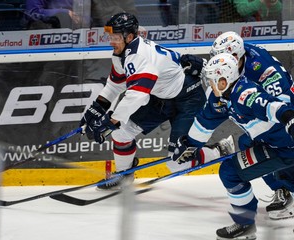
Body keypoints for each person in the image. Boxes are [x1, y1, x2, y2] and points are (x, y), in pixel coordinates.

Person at [79, 12, 212, 190]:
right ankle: (124, 175)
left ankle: (217, 151)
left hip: (188, 98)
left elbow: (137, 96)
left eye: (115, 37)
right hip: (161, 98)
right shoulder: (121, 54)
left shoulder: (140, 56)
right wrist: (95, 110)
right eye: (110, 37)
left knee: (177, 163)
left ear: (130, 37)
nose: (111, 41)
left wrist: (110, 121)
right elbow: (114, 86)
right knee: (121, 134)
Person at [172, 52, 294, 239]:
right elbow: (205, 123)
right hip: (272, 145)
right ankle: (245, 224)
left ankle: (245, 224)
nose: (209, 85)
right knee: (238, 169)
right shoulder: (219, 98)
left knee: (231, 172)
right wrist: (190, 144)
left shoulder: (245, 94)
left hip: (284, 148)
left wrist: (290, 119)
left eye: (212, 81)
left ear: (223, 81)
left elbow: (274, 107)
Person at [210, 31, 294, 220]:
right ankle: (282, 189)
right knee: (248, 143)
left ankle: (286, 190)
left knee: (269, 148)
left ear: (234, 56)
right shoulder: (238, 58)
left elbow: (284, 102)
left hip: (285, 120)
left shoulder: (262, 67)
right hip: (274, 117)